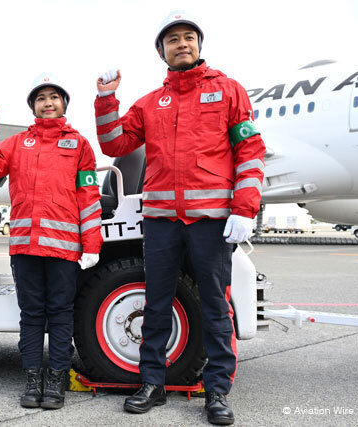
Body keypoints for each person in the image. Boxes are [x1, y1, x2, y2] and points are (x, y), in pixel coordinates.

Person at [94, 10, 265, 425]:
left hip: (211, 221)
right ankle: (152, 383)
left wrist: (245, 209)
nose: (182, 44)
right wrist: (106, 100)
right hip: (161, 222)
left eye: (189, 37)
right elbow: (114, 143)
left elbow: (250, 151)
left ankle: (217, 391)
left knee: (215, 306)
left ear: (199, 45)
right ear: (162, 52)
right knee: (156, 304)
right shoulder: (150, 103)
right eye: (173, 40)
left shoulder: (228, 91)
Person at [0, 74, 103, 410]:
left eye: (54, 97)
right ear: (33, 106)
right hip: (25, 248)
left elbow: (88, 197)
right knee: (30, 316)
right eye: (41, 98)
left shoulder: (80, 146)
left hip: (63, 249)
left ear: (63, 104)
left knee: (60, 315)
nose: (48, 102)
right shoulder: (17, 143)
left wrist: (92, 244)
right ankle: (32, 382)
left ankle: (55, 383)